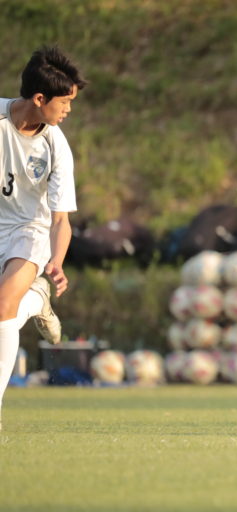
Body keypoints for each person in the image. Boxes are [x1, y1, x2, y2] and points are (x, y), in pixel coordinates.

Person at [0, 46, 86, 430]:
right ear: (39, 99)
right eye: (64, 102)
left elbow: (60, 220)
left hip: (28, 231)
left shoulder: (56, 145)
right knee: (7, 311)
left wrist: (56, 261)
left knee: (3, 305)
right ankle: (36, 300)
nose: (68, 110)